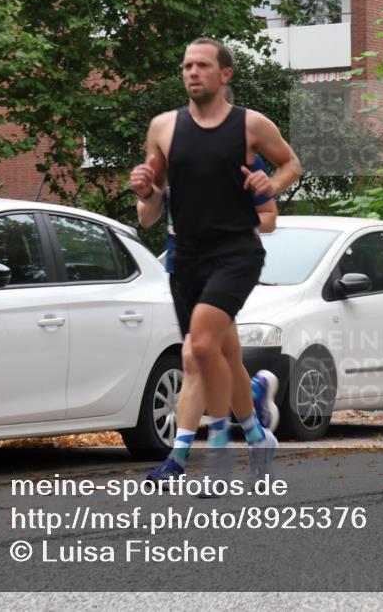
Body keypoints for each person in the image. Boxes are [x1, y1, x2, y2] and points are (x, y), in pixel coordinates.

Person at [130, 37, 302, 479]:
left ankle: (204, 453)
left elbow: (291, 166)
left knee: (198, 349)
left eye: (202, 65)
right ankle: (257, 423)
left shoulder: (251, 125)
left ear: (225, 74)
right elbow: (148, 215)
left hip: (235, 254)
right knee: (215, 355)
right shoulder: (164, 128)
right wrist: (146, 192)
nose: (192, 72)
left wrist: (271, 186)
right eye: (186, 65)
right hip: (185, 259)